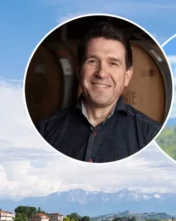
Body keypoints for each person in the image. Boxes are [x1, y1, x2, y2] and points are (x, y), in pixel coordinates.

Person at [36, 22, 161, 163]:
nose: (101, 73)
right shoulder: (45, 130)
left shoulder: (151, 135)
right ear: (78, 71)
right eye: (92, 61)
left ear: (127, 76)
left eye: (113, 63)